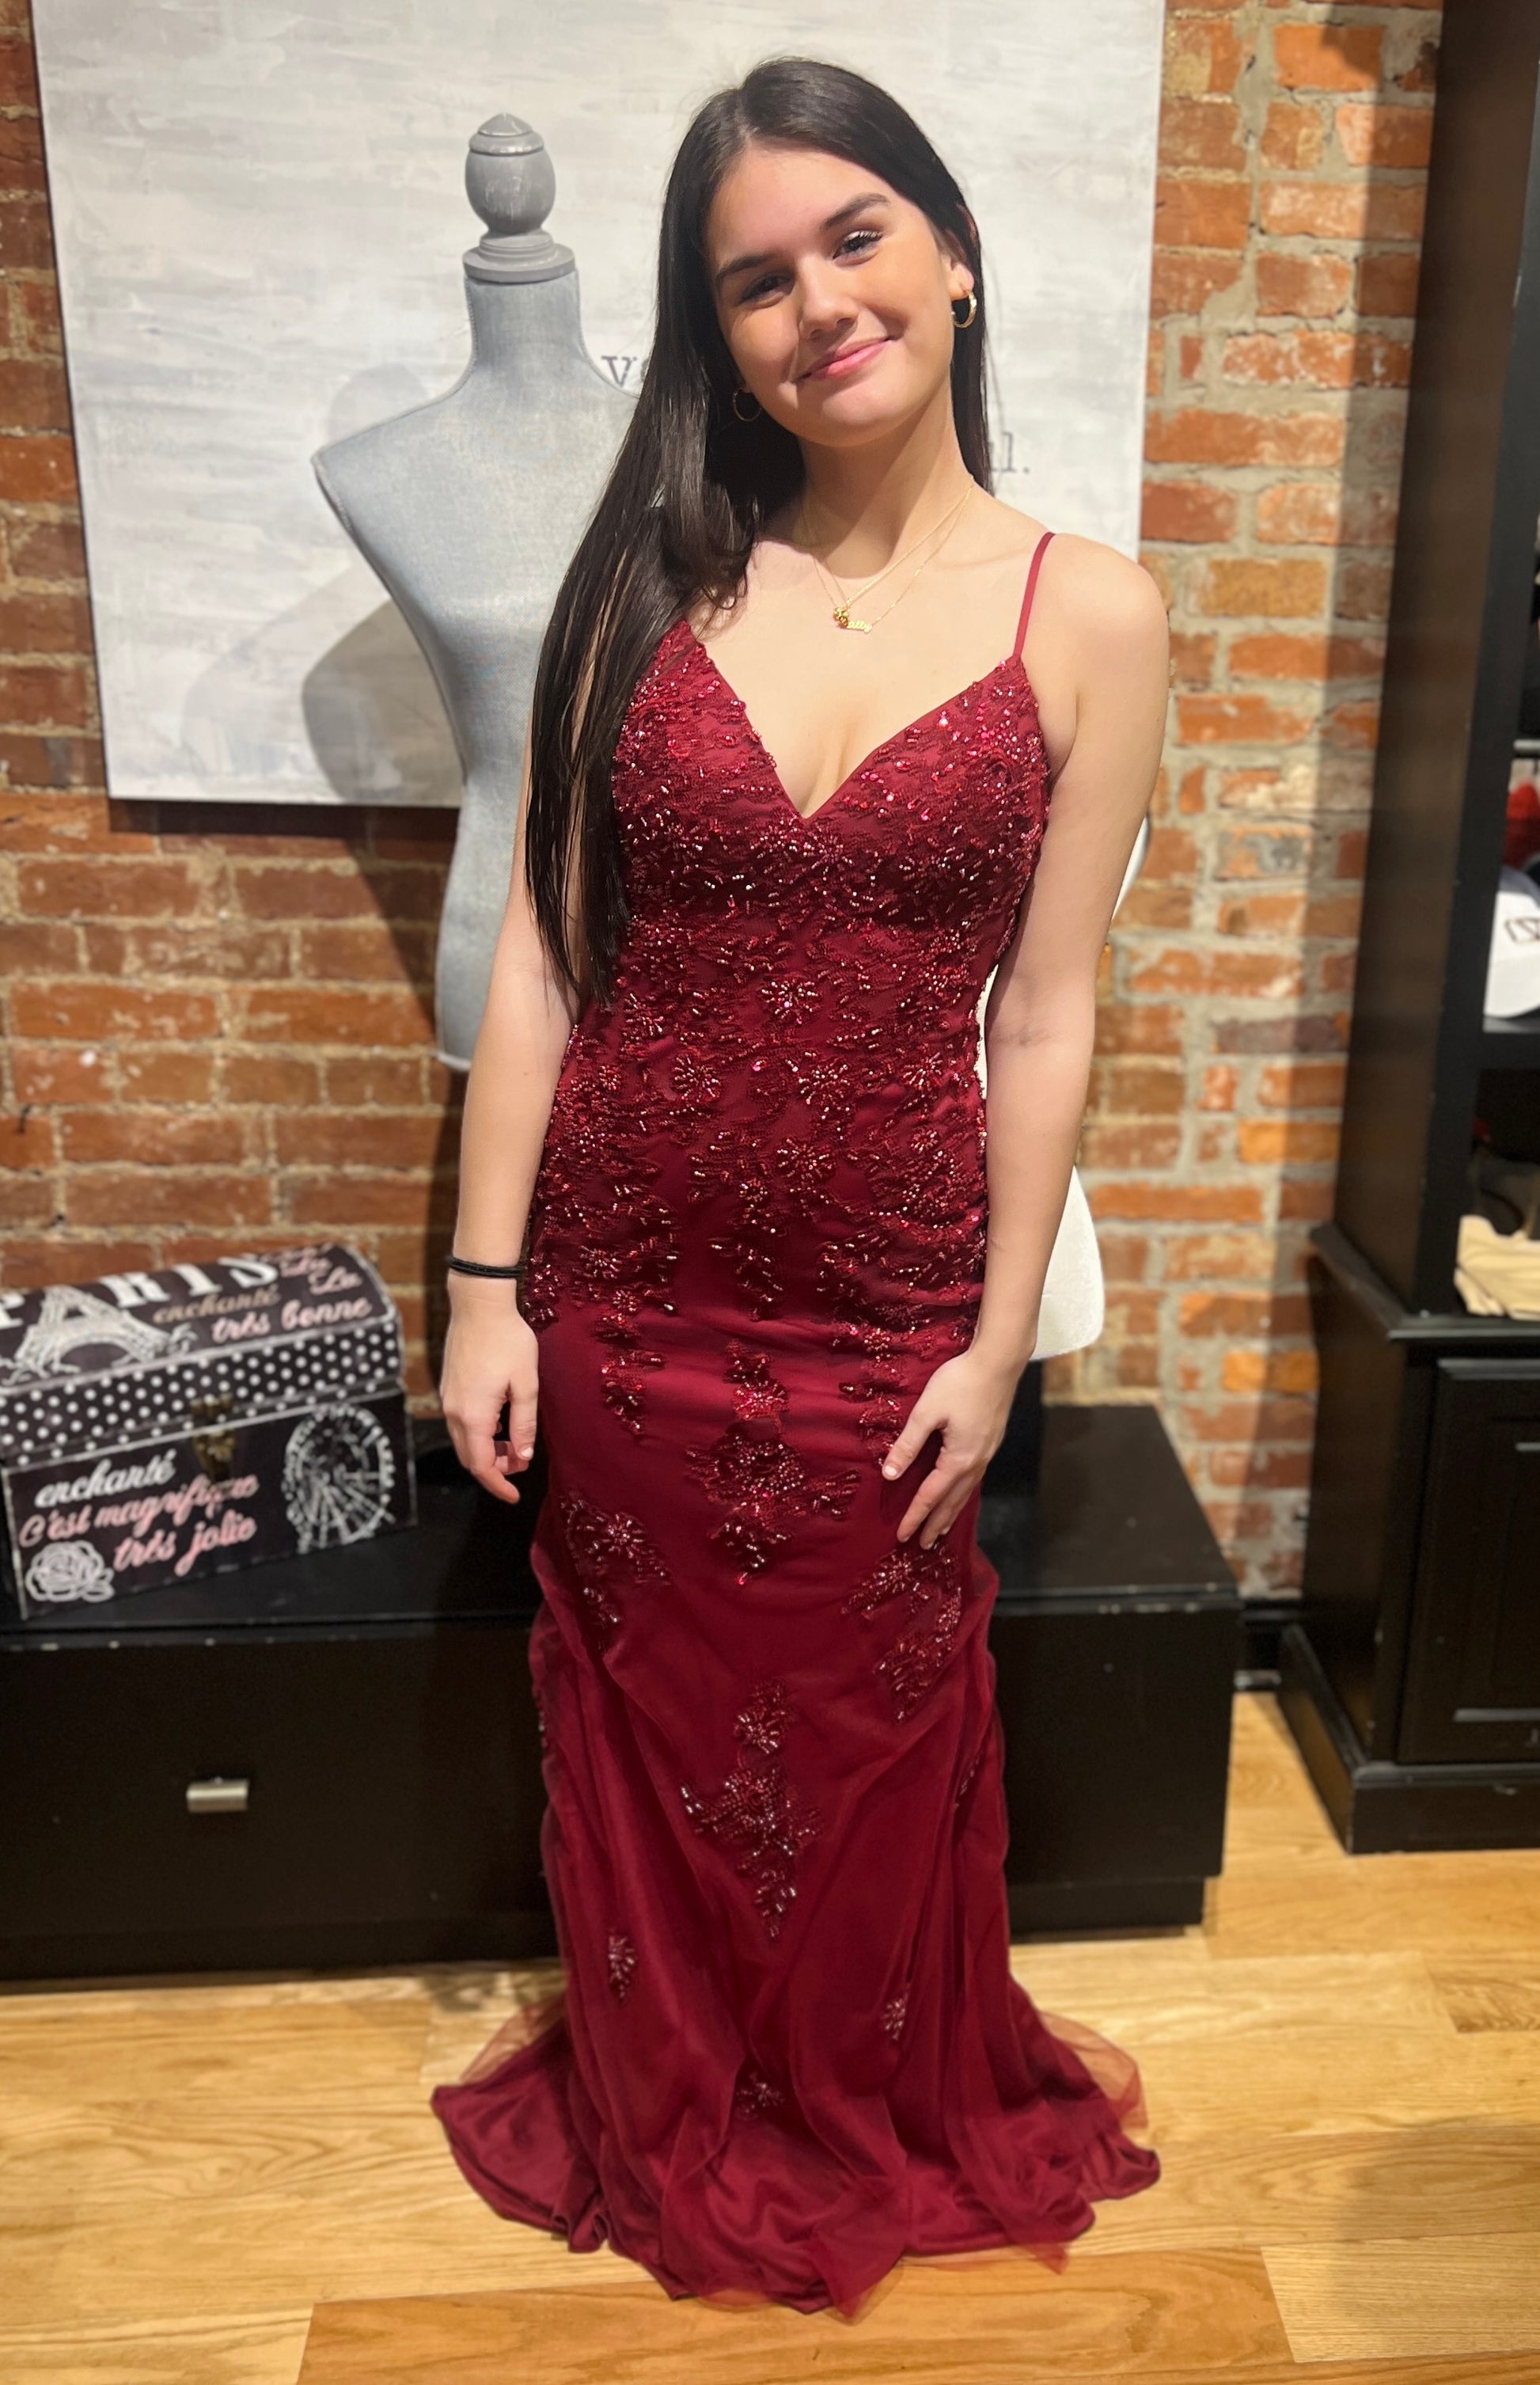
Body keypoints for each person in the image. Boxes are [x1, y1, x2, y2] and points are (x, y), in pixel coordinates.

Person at [431, 55, 1169, 2319]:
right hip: (628, 1284)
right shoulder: (648, 577)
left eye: (852, 237)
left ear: (949, 249)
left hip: (886, 1295)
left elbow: (1044, 1014)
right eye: (752, 276)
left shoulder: (1091, 614)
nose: (814, 305)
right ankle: (677, 2101)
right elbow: (548, 951)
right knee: (648, 1743)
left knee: (861, 1746)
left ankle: (851, 2100)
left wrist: (993, 1338)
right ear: (710, 329)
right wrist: (481, 1287)